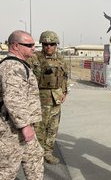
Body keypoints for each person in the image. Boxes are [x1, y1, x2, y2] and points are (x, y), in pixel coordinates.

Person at [0, 30, 44, 180]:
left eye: (34, 44)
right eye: (29, 45)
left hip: (20, 125)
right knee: (7, 169)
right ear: (15, 46)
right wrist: (25, 126)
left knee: (35, 158)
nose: (34, 47)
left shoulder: (20, 64)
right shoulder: (12, 67)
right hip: (10, 129)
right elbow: (13, 99)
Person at [27, 30, 68, 165]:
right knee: (39, 128)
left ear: (56, 45)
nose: (48, 47)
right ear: (42, 45)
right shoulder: (34, 58)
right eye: (45, 44)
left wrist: (65, 92)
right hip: (40, 99)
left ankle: (48, 152)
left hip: (56, 99)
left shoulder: (61, 59)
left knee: (53, 128)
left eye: (51, 44)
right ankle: (37, 154)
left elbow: (64, 76)